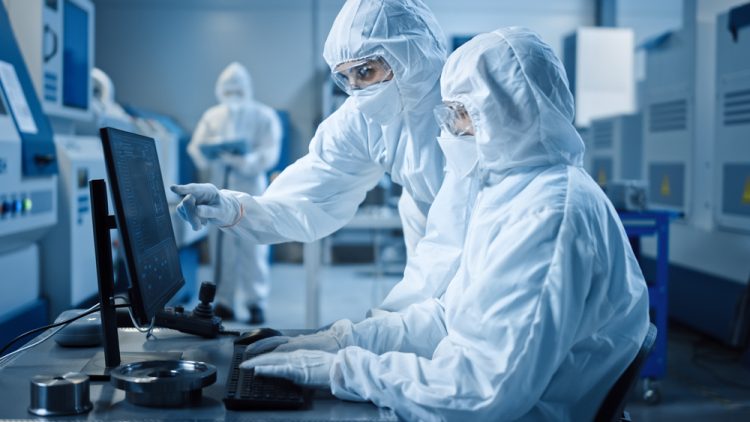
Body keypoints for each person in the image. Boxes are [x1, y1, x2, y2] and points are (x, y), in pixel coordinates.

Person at [241, 28, 650, 421]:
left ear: (509, 112)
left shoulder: (548, 217)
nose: (452, 130)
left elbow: (481, 392)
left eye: (462, 113)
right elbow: (449, 315)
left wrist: (343, 371)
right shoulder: (512, 191)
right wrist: (346, 340)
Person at [172, 0, 452, 316]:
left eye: (365, 71)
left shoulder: (473, 104)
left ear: (410, 55)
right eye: (346, 78)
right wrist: (231, 207)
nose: (356, 90)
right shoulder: (362, 118)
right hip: (427, 259)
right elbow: (309, 196)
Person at [186, 62, 282, 323]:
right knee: (222, 247)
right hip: (220, 188)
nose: (232, 96)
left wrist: (246, 161)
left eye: (237, 90)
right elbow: (196, 148)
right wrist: (212, 153)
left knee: (253, 246)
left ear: (247, 89)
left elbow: (270, 152)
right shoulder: (212, 116)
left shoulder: (264, 116)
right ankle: (224, 301)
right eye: (228, 91)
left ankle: (255, 302)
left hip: (252, 189)